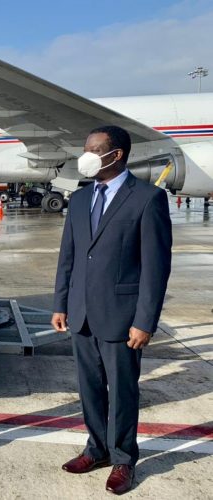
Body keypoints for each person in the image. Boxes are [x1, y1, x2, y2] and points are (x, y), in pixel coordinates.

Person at [51, 126, 172, 495]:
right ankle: (96, 448)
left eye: (93, 149)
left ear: (116, 154)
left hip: (122, 317)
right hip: (82, 312)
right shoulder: (81, 199)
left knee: (122, 392)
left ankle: (123, 458)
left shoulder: (147, 198)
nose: (84, 155)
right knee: (89, 388)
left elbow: (155, 266)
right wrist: (60, 303)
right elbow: (68, 256)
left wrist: (144, 321)